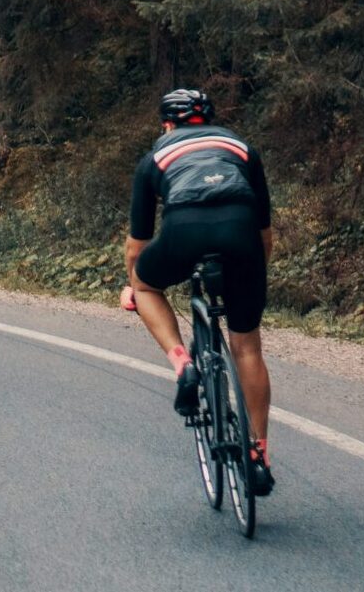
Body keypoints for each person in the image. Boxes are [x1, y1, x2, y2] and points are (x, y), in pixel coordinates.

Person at [120, 89, 276, 495]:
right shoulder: (241, 148)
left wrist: (131, 284)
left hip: (183, 229)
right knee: (247, 349)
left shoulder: (154, 157)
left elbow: (137, 247)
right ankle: (258, 454)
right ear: (209, 119)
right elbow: (265, 234)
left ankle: (182, 364)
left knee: (145, 282)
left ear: (166, 125)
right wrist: (254, 271)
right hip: (242, 236)